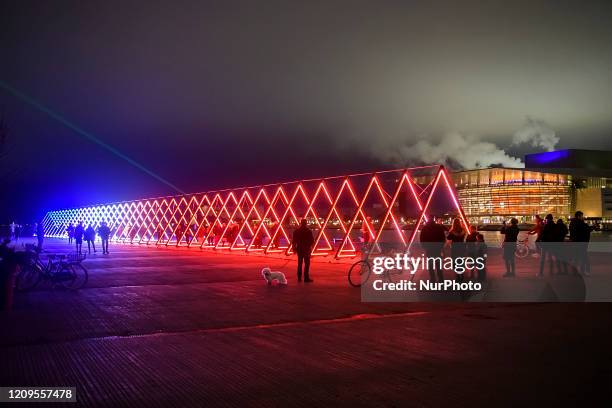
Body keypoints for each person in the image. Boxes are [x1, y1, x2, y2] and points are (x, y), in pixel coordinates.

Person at [420, 216, 447, 282]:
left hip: (429, 248)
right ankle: (441, 279)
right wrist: (441, 247)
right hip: (437, 248)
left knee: (430, 265)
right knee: (438, 264)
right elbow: (443, 238)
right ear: (434, 219)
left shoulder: (425, 228)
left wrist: (424, 247)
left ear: (428, 219)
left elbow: (422, 239)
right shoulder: (439, 227)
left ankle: (433, 279)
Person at [569, 211, 593, 276]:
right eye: (582, 216)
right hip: (581, 243)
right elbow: (586, 230)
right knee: (584, 257)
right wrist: (591, 228)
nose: (583, 217)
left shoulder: (572, 223)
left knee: (576, 257)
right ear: (579, 216)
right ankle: (584, 271)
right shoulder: (581, 223)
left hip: (574, 242)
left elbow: (571, 232)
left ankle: (574, 271)